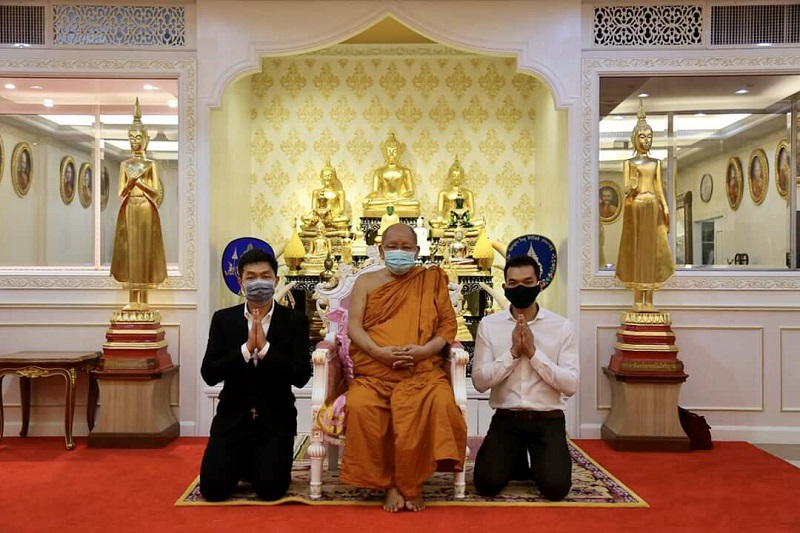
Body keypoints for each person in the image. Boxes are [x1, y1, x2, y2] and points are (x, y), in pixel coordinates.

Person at [341, 223, 467, 512]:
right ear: (381, 250)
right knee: (361, 406)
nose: (399, 252)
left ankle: (412, 482)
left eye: (406, 247)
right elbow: (354, 327)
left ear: (417, 251)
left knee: (441, 402)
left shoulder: (431, 280)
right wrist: (378, 353)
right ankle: (389, 484)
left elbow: (447, 326)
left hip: (422, 372)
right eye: (393, 247)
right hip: (376, 372)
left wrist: (424, 351)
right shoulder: (366, 282)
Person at [199, 248, 311, 502]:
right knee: (214, 491)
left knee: (270, 490)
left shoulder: (294, 321)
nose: (258, 282)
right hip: (232, 419)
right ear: (240, 282)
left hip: (275, 420)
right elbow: (209, 373)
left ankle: (255, 464)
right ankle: (242, 463)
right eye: (251, 277)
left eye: (265, 276)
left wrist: (266, 349)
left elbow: (301, 376)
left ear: (276, 280)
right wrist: (246, 349)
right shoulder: (224, 319)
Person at [471, 255, 578, 501]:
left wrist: (533, 354)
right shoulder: (489, 325)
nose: (520, 288)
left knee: (555, 489)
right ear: (504, 287)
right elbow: (479, 381)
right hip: (507, 419)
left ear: (540, 284)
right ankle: (515, 458)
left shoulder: (561, 326)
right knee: (486, 485)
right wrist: (511, 354)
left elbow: (570, 385)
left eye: (528, 282)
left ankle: (536, 460)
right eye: (514, 283)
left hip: (548, 420)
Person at [615, 102, 674, 311]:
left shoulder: (656, 163)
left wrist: (665, 207)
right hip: (637, 206)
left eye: (649, 137)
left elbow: (659, 188)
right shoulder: (629, 163)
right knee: (638, 251)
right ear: (634, 139)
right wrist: (632, 184)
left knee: (652, 252)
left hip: (653, 205)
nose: (646, 140)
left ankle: (649, 300)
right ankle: (637, 300)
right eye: (642, 136)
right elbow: (627, 188)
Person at [110, 98, 167, 310]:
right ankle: (132, 300)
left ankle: (144, 300)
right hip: (130, 207)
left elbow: (155, 192)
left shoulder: (150, 165)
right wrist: (130, 182)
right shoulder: (125, 164)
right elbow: (120, 192)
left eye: (138, 137)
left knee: (144, 250)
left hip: (146, 208)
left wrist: (139, 182)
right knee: (131, 250)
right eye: (131, 138)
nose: (134, 141)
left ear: (145, 139)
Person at [361, 132, 421, 217]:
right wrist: (367, 197)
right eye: (389, 151)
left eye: (394, 151)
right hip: (385, 201)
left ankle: (392, 203)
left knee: (416, 204)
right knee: (369, 204)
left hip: (399, 200)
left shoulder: (405, 171)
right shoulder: (379, 171)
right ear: (385, 153)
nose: (391, 153)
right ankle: (389, 203)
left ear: (399, 153)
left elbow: (410, 191)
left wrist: (399, 198)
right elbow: (375, 191)